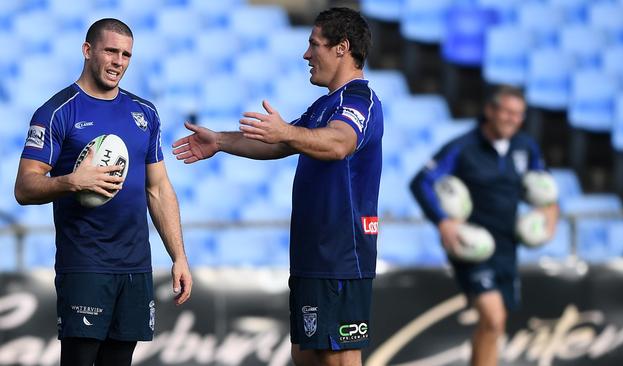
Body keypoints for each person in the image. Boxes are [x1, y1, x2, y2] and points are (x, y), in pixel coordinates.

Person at [172, 7, 382, 366]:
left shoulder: (359, 101)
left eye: (314, 44)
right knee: (305, 356)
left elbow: (338, 143)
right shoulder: (325, 105)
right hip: (311, 255)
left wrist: (285, 130)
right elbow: (281, 144)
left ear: (341, 48)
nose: (306, 54)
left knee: (338, 358)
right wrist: (220, 141)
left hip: (340, 256)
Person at [14, 18, 192, 366]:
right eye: (111, 51)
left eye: (126, 54)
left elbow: (158, 189)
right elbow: (24, 187)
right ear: (87, 51)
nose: (119, 61)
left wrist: (179, 257)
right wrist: (71, 181)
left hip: (135, 267)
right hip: (85, 265)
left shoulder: (145, 113)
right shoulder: (56, 112)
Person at [410, 85, 558, 366]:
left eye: (519, 114)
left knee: (495, 325)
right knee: (494, 317)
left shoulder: (526, 147)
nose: (512, 119)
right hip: (473, 246)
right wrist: (444, 223)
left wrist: (550, 217)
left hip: (508, 246)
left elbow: (546, 189)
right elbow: (421, 182)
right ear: (490, 110)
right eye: (506, 112)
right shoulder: (463, 147)